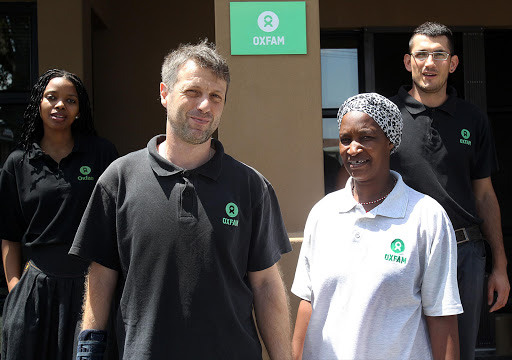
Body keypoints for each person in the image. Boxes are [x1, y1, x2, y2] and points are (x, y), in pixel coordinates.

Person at [70, 40, 293, 360]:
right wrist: (87, 352)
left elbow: (267, 286)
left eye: (216, 97)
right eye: (193, 92)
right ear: (164, 93)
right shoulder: (118, 180)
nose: (205, 105)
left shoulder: (251, 187)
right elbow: (101, 276)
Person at [291, 93, 463, 360]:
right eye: (345, 139)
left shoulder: (427, 217)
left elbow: (442, 317)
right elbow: (308, 304)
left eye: (366, 137)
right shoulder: (323, 214)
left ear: (390, 142)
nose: (353, 148)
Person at [389, 21, 510, 359]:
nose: (430, 63)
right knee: (400, 348)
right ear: (407, 61)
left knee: (458, 351)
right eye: (422, 54)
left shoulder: (474, 119)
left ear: (453, 63)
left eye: (439, 54)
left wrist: (499, 266)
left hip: (465, 253)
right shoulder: (387, 117)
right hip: (401, 249)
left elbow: (484, 195)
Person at [0, 69, 118, 359]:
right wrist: (17, 290)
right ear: (38, 104)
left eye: (70, 100)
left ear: (80, 110)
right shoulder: (18, 163)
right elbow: (9, 236)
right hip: (36, 290)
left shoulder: (101, 154)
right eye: (51, 98)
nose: (60, 106)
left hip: (91, 289)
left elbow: (117, 225)